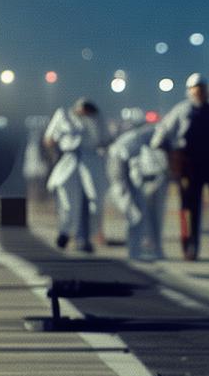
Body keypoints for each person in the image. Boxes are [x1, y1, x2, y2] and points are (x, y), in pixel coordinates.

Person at [151, 73, 209, 260]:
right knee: (188, 209)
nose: (199, 92)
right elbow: (160, 138)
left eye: (202, 89)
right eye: (195, 89)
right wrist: (172, 155)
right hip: (190, 166)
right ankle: (189, 246)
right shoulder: (181, 111)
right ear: (190, 91)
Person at [44, 98, 108, 253]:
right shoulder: (63, 115)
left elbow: (105, 139)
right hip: (69, 160)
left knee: (92, 202)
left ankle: (85, 238)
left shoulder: (96, 119)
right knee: (69, 203)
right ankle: (65, 233)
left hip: (90, 162)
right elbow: (49, 139)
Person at [107, 116, 169, 261]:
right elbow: (123, 165)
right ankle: (135, 251)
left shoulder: (138, 136)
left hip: (123, 169)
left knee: (137, 212)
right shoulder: (152, 135)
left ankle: (138, 250)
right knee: (135, 213)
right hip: (120, 168)